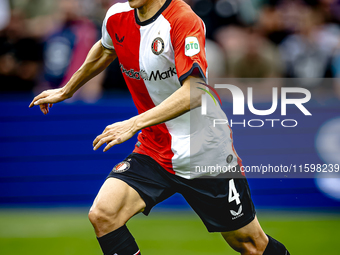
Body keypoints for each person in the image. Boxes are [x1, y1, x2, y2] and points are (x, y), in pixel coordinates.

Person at [29, 0, 290, 254]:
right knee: (104, 215)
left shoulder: (183, 21)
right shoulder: (117, 16)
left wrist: (133, 123)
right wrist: (67, 89)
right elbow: (106, 48)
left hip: (205, 152)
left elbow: (195, 91)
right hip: (154, 148)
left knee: (251, 244)